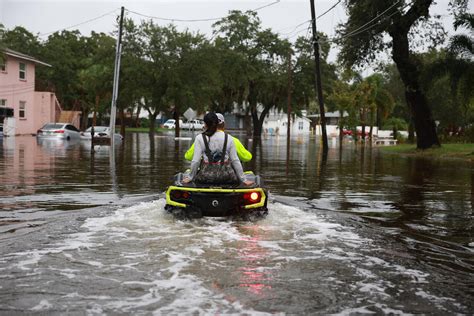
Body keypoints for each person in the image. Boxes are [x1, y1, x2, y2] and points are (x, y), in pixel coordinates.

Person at [182, 112, 253, 186]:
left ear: (205, 124)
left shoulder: (200, 138)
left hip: (205, 178)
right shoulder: (229, 138)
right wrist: (243, 179)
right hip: (227, 178)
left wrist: (190, 177)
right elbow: (235, 160)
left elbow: (195, 161)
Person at [184, 113, 252, 162]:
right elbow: (247, 157)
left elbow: (188, 157)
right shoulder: (233, 140)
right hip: (227, 176)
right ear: (224, 125)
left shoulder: (201, 139)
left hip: (206, 175)